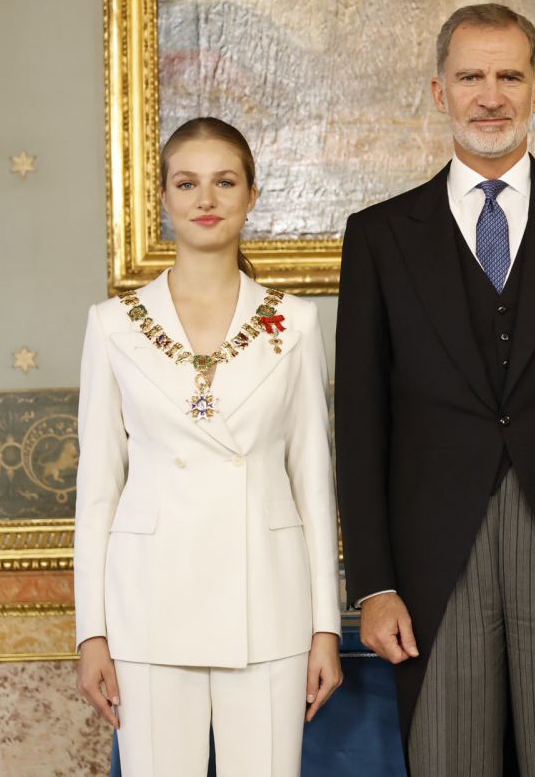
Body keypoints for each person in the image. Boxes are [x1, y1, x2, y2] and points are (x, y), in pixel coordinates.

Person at [334, 4, 535, 776]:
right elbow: (360, 423)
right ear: (439, 91)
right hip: (432, 555)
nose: (491, 96)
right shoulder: (379, 236)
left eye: (509, 76)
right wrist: (373, 581)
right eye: (471, 77)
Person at [73, 117, 343, 776]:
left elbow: (313, 482)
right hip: (148, 602)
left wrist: (325, 627)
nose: (206, 199)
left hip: (269, 601)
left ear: (252, 195)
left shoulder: (295, 323)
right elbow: (99, 488)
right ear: (163, 197)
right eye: (187, 183)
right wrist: (91, 632)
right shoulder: (112, 325)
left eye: (224, 182)